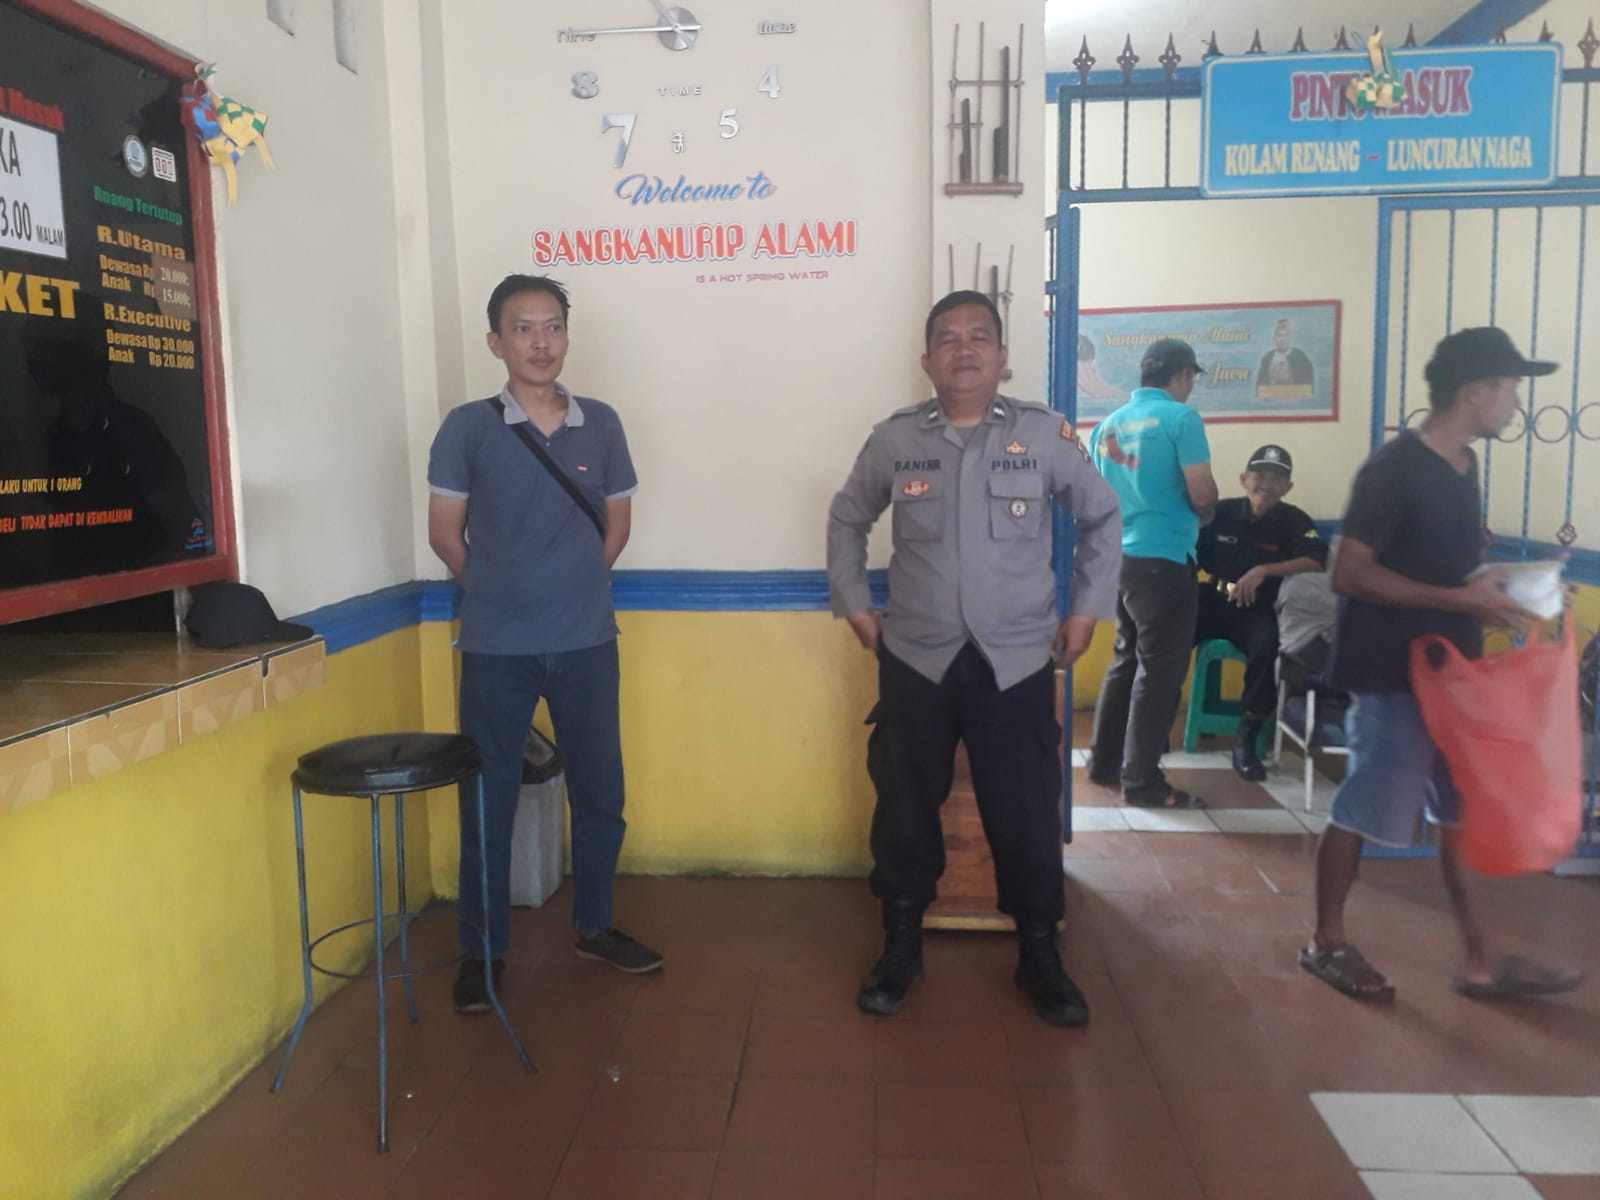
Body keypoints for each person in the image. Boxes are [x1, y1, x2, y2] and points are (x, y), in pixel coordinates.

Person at [827, 290, 1122, 1027]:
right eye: (948, 339)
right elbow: (847, 517)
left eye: (979, 337)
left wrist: (1087, 610)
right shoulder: (896, 439)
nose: (964, 350)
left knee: (1024, 811)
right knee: (904, 809)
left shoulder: (1043, 434)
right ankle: (901, 945)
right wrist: (855, 605)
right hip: (916, 658)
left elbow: (1102, 517)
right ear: (927, 360)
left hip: (1015, 660)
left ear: (1002, 355)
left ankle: (1039, 953)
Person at [1300, 326, 1584, 1003]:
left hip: (1454, 674)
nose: (1515, 403)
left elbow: (1445, 567)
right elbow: (1349, 574)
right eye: (1510, 388)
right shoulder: (1392, 470)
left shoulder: (1463, 466)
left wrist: (1512, 587)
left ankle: (1482, 959)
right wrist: (1461, 598)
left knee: (1461, 811)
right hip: (1394, 675)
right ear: (1474, 392)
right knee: (1365, 806)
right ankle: (1326, 941)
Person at [427, 274, 662, 1014]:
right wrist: (500, 592)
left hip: (587, 640)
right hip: (496, 647)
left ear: (566, 335)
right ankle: (482, 951)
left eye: (552, 326)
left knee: (601, 793)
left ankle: (594, 926)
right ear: (496, 342)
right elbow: (445, 533)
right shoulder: (467, 428)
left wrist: (571, 587)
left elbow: (616, 527)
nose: (540, 341)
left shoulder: (603, 424)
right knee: (488, 800)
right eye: (523, 328)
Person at [1085, 338, 1220, 808]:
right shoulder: (1182, 419)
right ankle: (1142, 783)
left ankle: (1104, 763)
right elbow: (1202, 494)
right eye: (1191, 379)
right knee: (1159, 674)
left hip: (1117, 560)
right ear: (1182, 375)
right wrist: (1204, 513)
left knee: (1126, 660)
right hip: (1164, 560)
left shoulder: (1105, 427)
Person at [1194, 444, 1328, 780]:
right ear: (1244, 479)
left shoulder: (1294, 520)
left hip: (1258, 608)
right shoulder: (1220, 512)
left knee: (1268, 649)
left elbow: (1316, 560)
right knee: (1167, 633)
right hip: (1214, 597)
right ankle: (1155, 727)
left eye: (1276, 478)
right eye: (1260, 475)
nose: (1266, 484)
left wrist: (1264, 571)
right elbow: (1189, 549)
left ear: (1288, 487)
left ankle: (1246, 739)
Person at [1255, 318, 1315, 399]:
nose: (1282, 339)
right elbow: (1259, 390)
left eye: (1285, 335)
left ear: (1290, 337)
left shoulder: (1301, 358)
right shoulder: (1267, 358)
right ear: (1274, 338)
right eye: (1279, 336)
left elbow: (1308, 389)